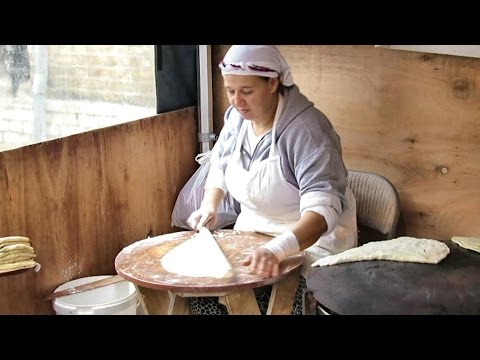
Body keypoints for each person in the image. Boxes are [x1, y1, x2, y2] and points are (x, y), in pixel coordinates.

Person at [187, 45, 357, 315]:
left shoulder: (306, 132)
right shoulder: (237, 118)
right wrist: (210, 205)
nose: (236, 101)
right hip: (252, 233)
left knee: (279, 305)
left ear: (273, 83)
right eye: (230, 91)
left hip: (309, 243)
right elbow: (220, 163)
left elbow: (322, 212)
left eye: (247, 91)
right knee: (207, 298)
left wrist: (277, 250)